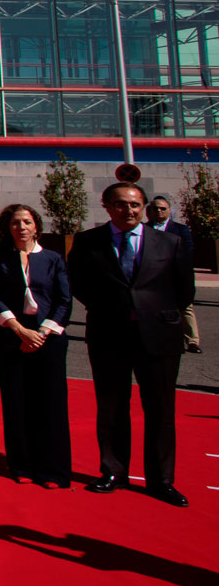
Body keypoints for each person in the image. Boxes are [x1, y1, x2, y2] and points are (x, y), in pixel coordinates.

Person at [71, 182, 195, 507]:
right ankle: (114, 471)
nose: (129, 211)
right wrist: (109, 308)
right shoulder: (88, 242)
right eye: (122, 205)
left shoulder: (171, 242)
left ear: (144, 207)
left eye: (136, 205)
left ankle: (161, 480)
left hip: (159, 336)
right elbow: (79, 283)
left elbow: (185, 290)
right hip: (109, 335)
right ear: (107, 206)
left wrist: (153, 313)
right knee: (112, 408)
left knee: (161, 410)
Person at [0, 203, 72, 488]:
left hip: (48, 339)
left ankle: (53, 469)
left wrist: (41, 334)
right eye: (15, 223)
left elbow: (64, 300)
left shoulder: (53, 259)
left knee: (50, 403)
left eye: (26, 222)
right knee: (17, 401)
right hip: (12, 336)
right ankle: (20, 463)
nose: (21, 227)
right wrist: (20, 331)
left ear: (36, 226)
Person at [147, 194, 199, 354]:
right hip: (152, 276)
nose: (159, 211)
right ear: (150, 211)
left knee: (186, 308)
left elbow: (188, 252)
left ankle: (192, 341)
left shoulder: (180, 230)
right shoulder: (145, 229)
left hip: (175, 274)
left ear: (169, 211)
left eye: (163, 208)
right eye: (155, 208)